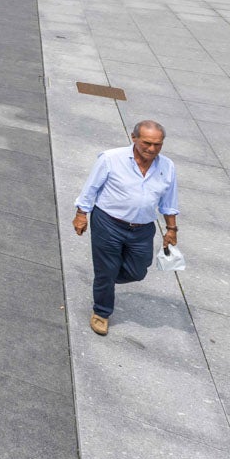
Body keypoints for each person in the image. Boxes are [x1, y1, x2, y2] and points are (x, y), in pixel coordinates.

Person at [72, 121, 178, 336]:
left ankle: (107, 277)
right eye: (147, 143)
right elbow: (91, 187)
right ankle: (101, 312)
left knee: (138, 270)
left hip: (143, 228)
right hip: (108, 223)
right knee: (106, 270)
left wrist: (171, 229)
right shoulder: (111, 158)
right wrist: (81, 213)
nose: (152, 149)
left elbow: (169, 201)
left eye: (158, 144)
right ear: (134, 137)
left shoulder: (167, 166)